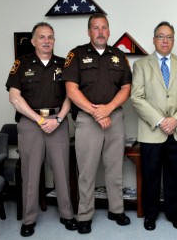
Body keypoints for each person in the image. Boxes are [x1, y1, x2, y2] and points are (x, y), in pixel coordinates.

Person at [62, 13, 132, 234]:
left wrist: (108, 109)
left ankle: (116, 210)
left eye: (104, 27)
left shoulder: (119, 56)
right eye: (95, 28)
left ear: (109, 31)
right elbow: (71, 90)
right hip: (87, 118)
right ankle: (84, 215)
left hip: (115, 117)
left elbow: (126, 88)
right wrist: (95, 112)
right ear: (89, 31)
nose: (100, 31)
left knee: (114, 169)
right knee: (87, 171)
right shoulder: (76, 54)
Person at [5, 22, 77, 237]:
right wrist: (38, 120)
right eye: (42, 37)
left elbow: (70, 96)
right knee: (30, 173)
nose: (47, 41)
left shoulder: (65, 64)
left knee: (62, 172)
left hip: (59, 121)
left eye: (51, 37)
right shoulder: (21, 63)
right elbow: (14, 97)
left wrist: (60, 118)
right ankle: (29, 219)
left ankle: (67, 215)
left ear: (54, 41)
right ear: (34, 41)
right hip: (30, 122)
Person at [131, 21, 177, 231]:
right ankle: (151, 214)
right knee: (151, 175)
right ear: (154, 39)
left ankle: (173, 212)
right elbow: (137, 98)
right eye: (161, 36)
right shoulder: (140, 65)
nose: (165, 40)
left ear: (173, 40)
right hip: (152, 131)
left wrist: (175, 119)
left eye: (169, 37)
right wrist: (160, 121)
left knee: (175, 175)